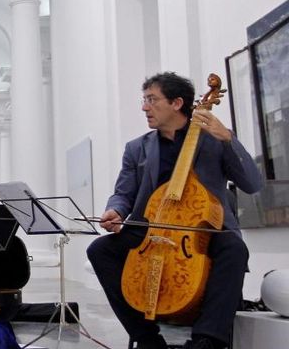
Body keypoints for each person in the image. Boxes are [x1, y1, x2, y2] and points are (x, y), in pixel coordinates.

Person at [86, 72, 262, 349]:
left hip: (204, 228)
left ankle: (207, 341)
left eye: (152, 100)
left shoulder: (214, 139)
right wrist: (115, 211)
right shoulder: (137, 149)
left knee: (234, 249)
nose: (144, 107)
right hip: (150, 228)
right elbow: (124, 194)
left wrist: (227, 138)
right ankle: (147, 340)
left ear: (177, 103)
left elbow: (252, 184)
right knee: (99, 250)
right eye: (144, 100)